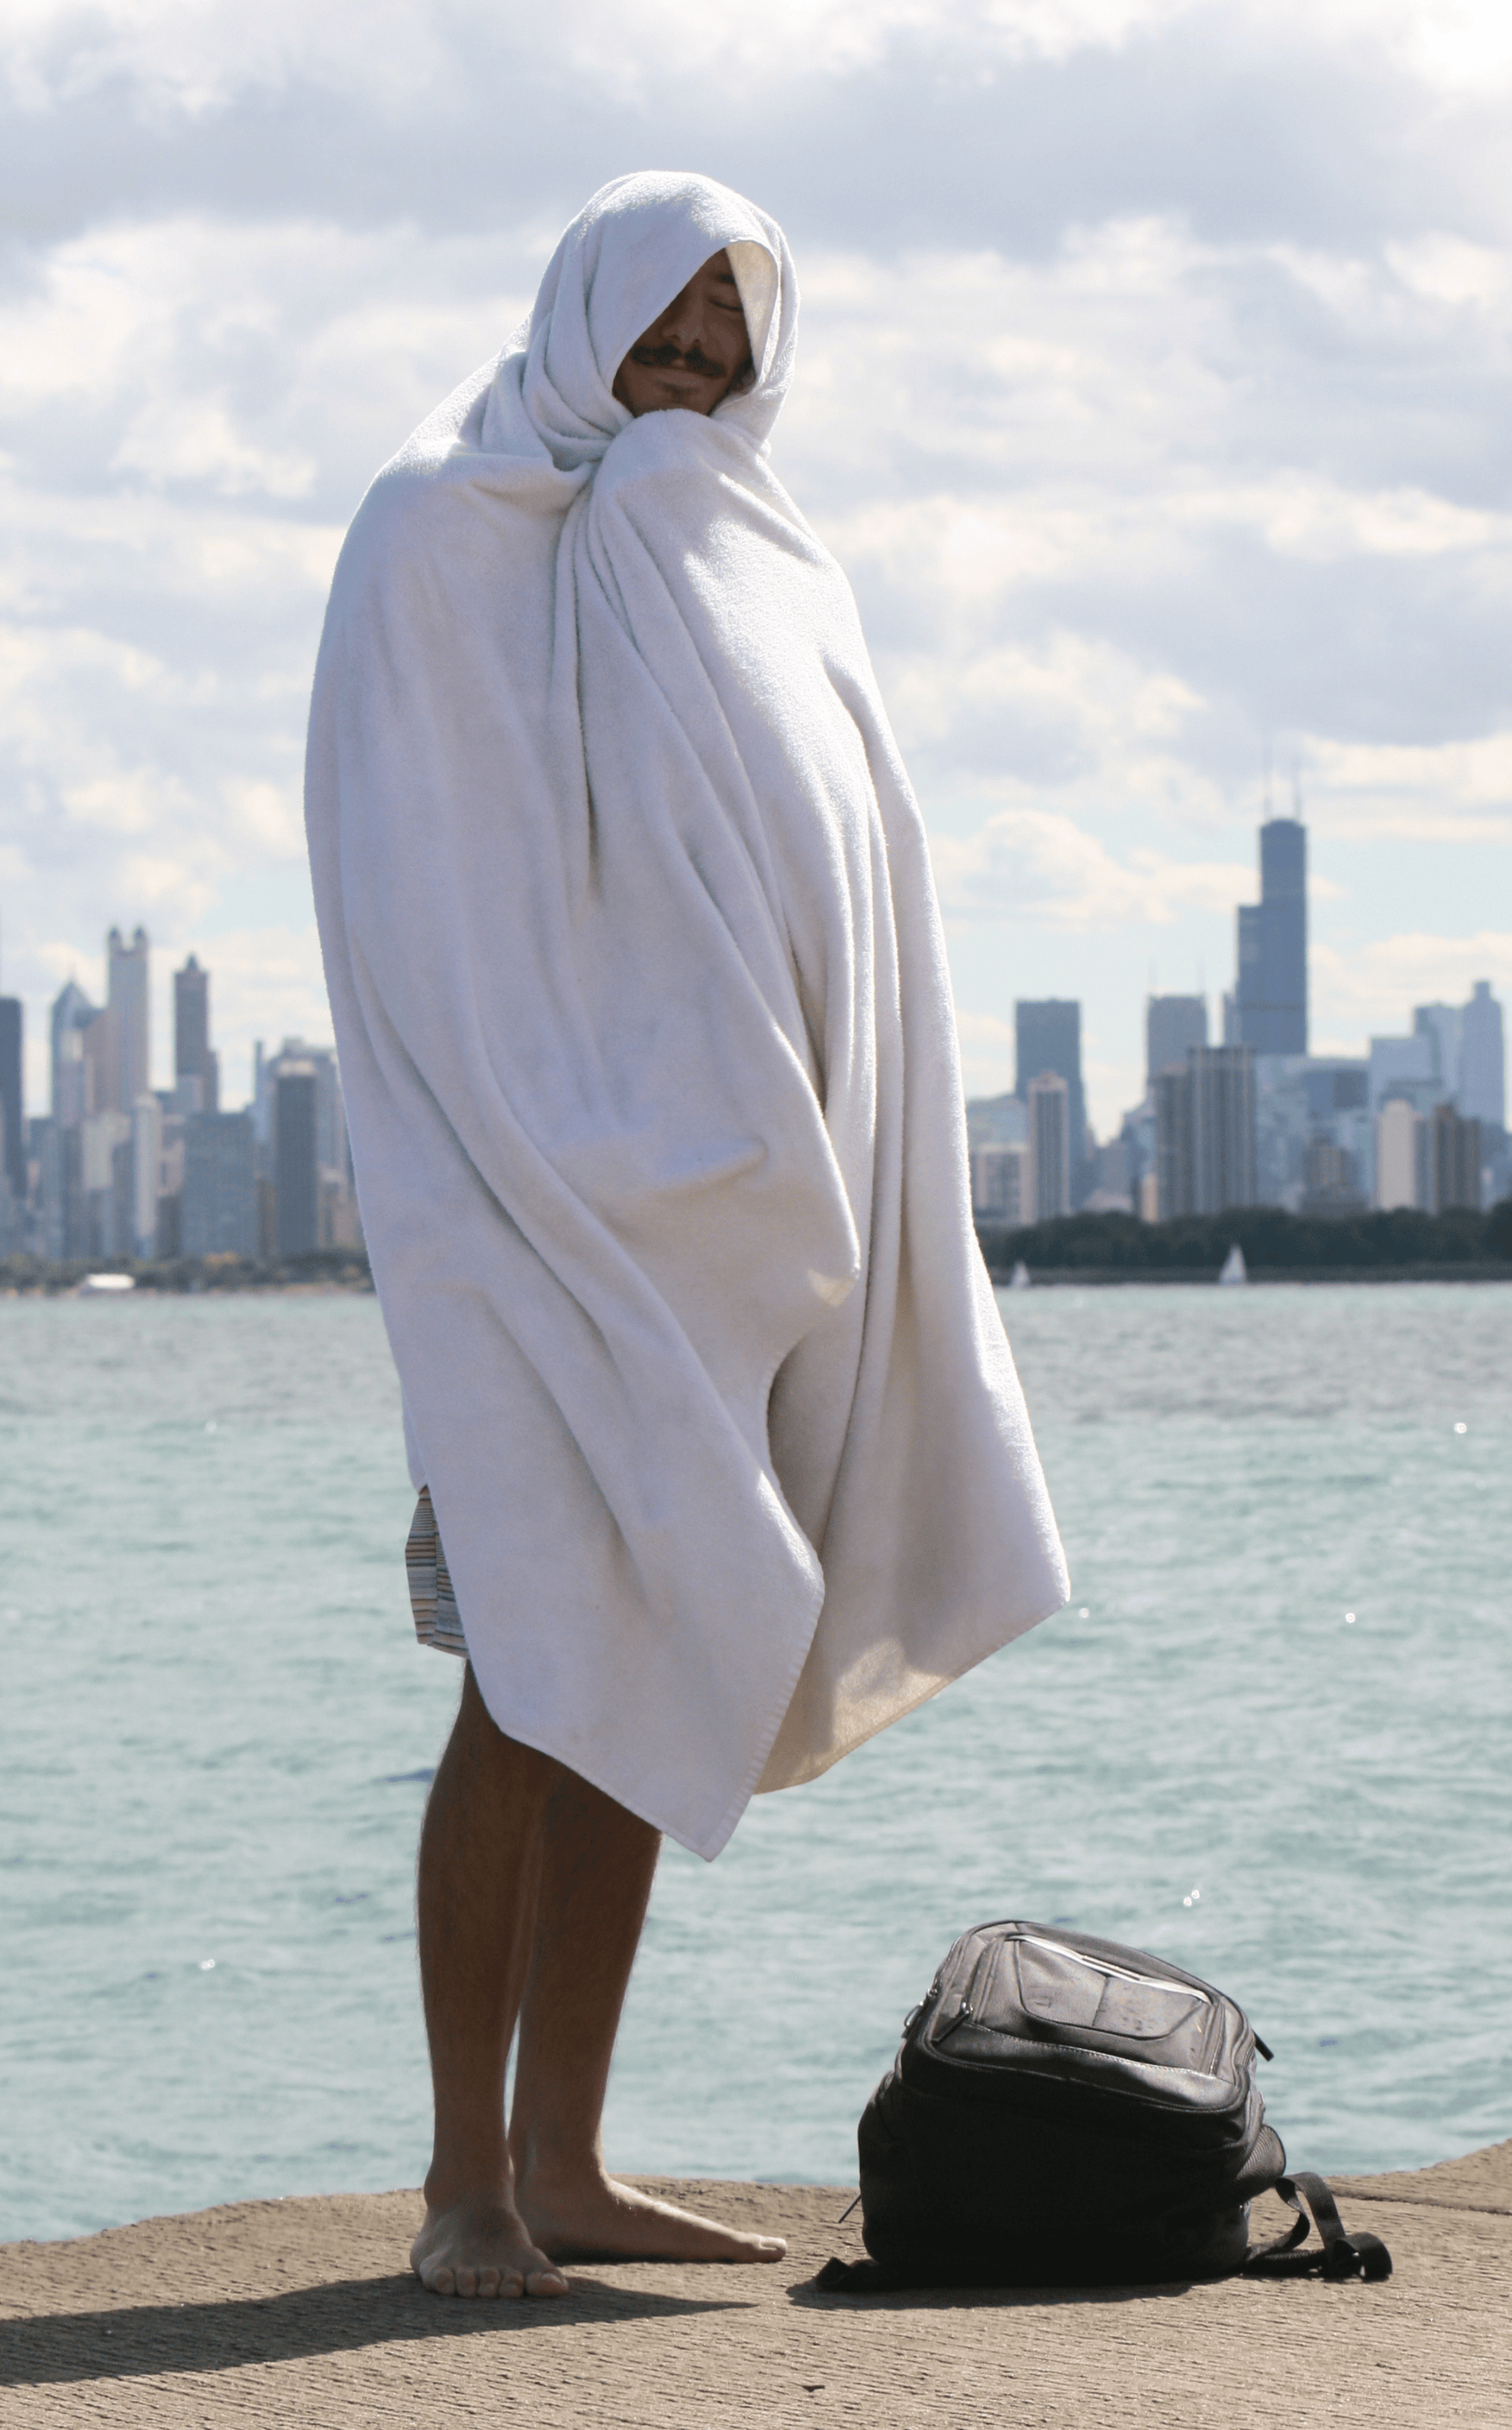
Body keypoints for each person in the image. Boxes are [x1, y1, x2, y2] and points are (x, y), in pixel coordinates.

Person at [306, 172, 1068, 2300]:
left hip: (726, 1215)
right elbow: (425, 897)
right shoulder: (435, 532)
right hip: (524, 1210)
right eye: (659, 355)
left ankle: (568, 2160)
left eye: (725, 373)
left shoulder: (735, 551)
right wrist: (548, 1152)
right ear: (580, 333)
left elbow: (833, 856)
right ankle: (464, 2179)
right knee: (528, 1671)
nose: (686, 400)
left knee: (657, 1652)